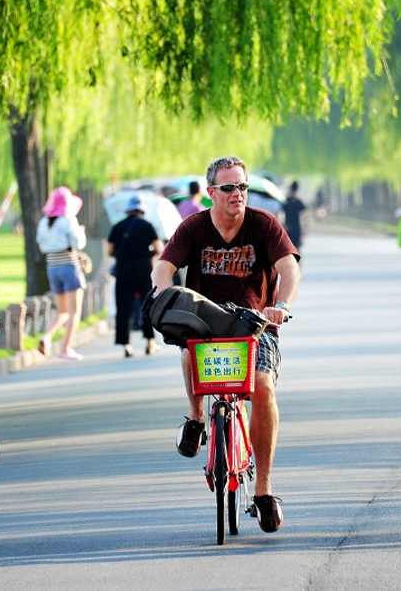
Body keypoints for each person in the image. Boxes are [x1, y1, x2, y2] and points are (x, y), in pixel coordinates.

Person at [150, 155, 301, 534]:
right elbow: (163, 268)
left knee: (263, 388)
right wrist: (164, 295)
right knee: (187, 350)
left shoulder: (264, 224)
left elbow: (289, 268)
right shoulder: (194, 227)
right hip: (207, 322)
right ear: (211, 192)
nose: (239, 194)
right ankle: (197, 417)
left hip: (255, 326)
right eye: (230, 187)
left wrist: (280, 306)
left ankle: (264, 492)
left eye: (243, 187)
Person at [108, 194, 164, 357]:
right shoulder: (147, 225)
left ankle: (126, 344)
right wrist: (147, 252)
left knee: (123, 307)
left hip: (123, 270)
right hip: (143, 269)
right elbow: (158, 248)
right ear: (141, 210)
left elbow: (110, 250)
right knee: (147, 305)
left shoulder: (117, 227)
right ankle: (149, 342)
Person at [36, 186, 88, 360]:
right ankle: (65, 348)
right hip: (69, 266)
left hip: (52, 267)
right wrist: (80, 232)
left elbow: (42, 246)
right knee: (75, 311)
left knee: (62, 310)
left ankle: (47, 337)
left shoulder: (44, 222)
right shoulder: (68, 220)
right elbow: (78, 243)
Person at [283, 180, 307, 249]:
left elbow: (281, 214)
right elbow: (305, 216)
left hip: (288, 227)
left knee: (288, 250)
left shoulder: (285, 201)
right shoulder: (299, 202)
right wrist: (305, 228)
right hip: (297, 228)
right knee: (297, 250)